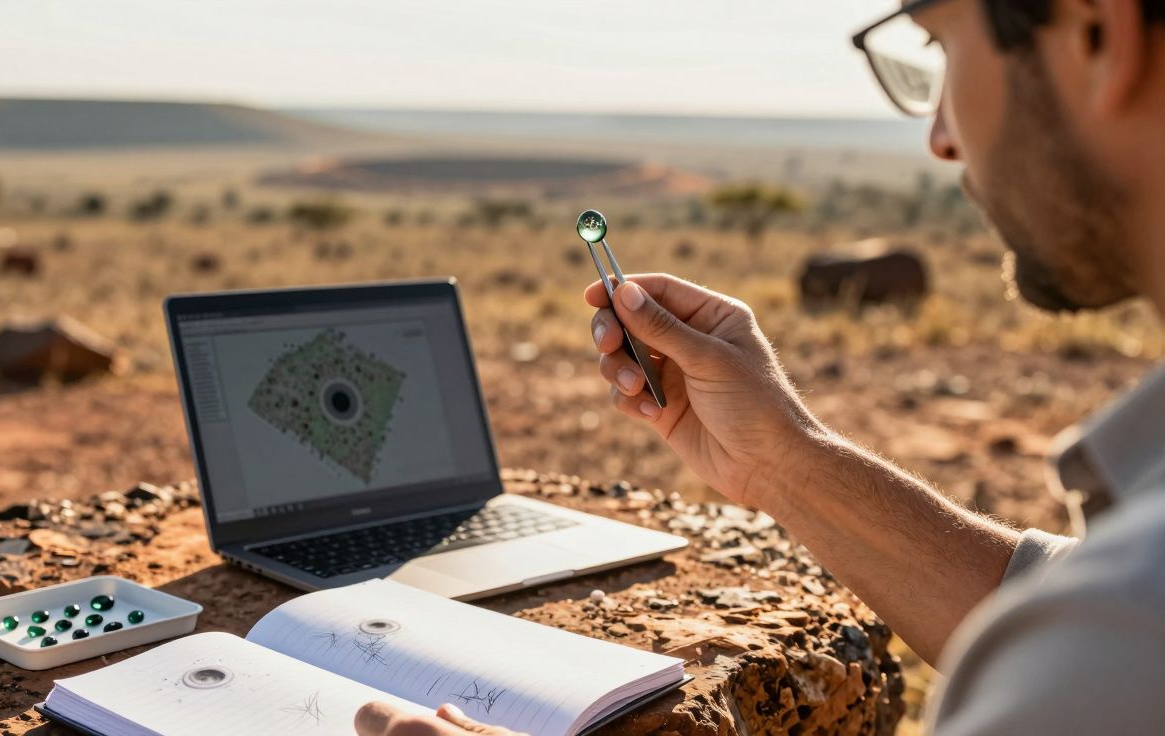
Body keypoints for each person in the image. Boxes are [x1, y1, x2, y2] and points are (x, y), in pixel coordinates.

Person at [355, 0, 1165, 733]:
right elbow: (1049, 602)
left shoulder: (1119, 635)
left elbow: (1106, 632)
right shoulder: (1119, 616)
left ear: (1099, 31)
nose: (941, 134)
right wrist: (782, 458)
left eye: (942, 50)